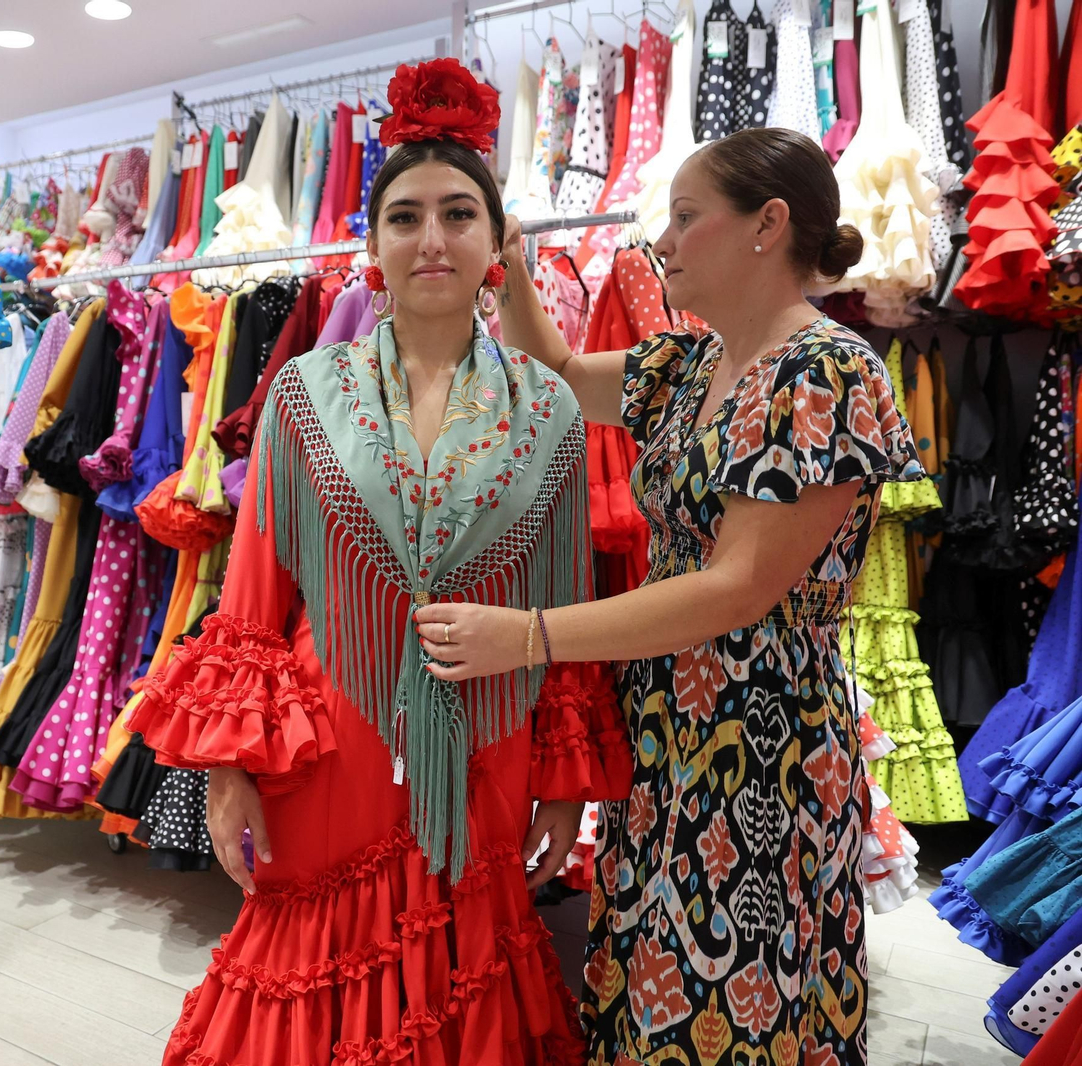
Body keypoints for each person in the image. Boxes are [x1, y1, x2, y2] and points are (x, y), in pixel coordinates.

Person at [126, 59, 632, 1065]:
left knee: (466, 960)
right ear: (372, 243)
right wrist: (231, 769)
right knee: (306, 966)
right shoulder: (302, 394)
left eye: (457, 214)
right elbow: (253, 594)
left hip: (488, 739)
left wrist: (563, 779)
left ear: (498, 242)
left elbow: (561, 601)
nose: (432, 239)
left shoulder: (552, 407)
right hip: (329, 741)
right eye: (404, 217)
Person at [415, 127, 922, 1065]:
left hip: (758, 741)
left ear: (767, 225)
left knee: (730, 993)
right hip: (670, 726)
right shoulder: (693, 364)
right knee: (652, 968)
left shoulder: (826, 373)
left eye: (687, 218)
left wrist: (527, 636)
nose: (665, 241)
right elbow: (562, 378)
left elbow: (736, 588)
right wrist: (515, 270)